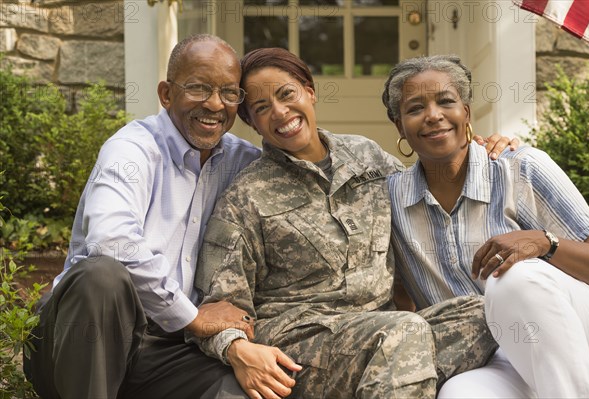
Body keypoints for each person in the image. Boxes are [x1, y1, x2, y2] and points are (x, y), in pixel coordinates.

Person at [189, 47, 514, 399]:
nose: (280, 112)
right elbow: (219, 304)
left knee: (489, 311)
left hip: (380, 330)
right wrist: (236, 350)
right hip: (300, 343)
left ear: (309, 92)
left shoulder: (366, 155)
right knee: (402, 336)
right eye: (262, 108)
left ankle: (383, 381)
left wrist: (475, 146)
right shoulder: (246, 195)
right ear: (251, 123)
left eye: (287, 94)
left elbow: (428, 181)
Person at [24, 34, 267, 399]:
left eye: (230, 93)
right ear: (166, 94)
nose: (216, 105)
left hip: (166, 350)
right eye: (199, 88)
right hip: (84, 340)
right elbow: (111, 239)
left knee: (242, 388)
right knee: (101, 275)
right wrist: (193, 316)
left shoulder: (243, 161)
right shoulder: (132, 150)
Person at [382, 54, 589, 398]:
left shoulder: (521, 168)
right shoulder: (389, 201)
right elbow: (400, 298)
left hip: (576, 333)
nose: (434, 115)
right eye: (415, 108)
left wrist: (546, 243)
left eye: (446, 101)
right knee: (460, 394)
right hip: (490, 359)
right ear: (399, 126)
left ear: (466, 112)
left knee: (513, 277)